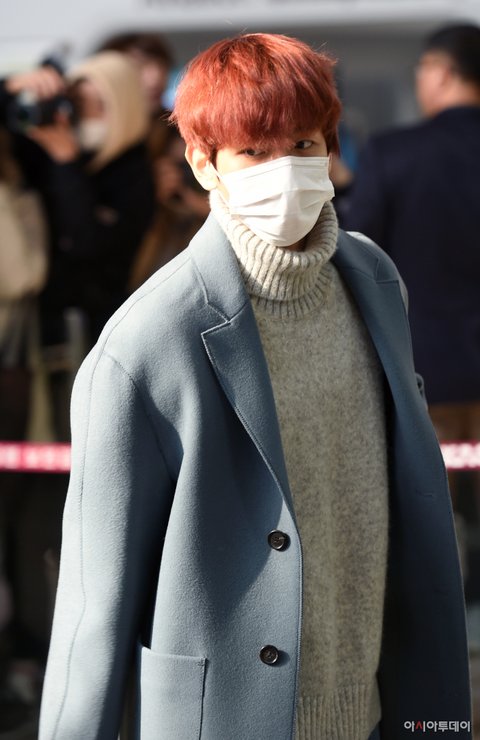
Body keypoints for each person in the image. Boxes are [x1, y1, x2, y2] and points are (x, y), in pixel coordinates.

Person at [39, 34, 471, 740]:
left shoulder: (374, 281)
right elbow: (96, 599)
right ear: (203, 163)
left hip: (376, 711)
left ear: (331, 147)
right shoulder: (147, 340)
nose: (286, 170)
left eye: (303, 145)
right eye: (253, 152)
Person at [343, 24, 480, 469]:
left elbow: (359, 253)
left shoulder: (393, 153)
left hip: (423, 365)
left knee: (433, 493)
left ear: (441, 72)